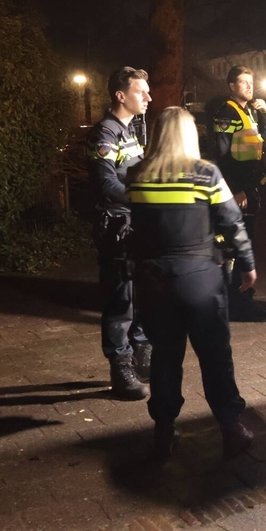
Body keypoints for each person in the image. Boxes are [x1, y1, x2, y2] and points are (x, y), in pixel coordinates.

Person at [126, 107, 257, 460]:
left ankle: (164, 429)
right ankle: (231, 427)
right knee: (215, 356)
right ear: (190, 135)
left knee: (165, 357)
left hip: (155, 281)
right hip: (200, 279)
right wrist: (247, 264)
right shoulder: (206, 174)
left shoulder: (137, 175)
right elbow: (232, 222)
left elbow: (137, 227)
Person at [86, 66, 153, 401]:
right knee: (120, 301)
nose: (148, 97)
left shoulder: (131, 129)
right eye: (141, 91)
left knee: (140, 294)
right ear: (121, 95)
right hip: (115, 226)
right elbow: (106, 183)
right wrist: (142, 197)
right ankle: (120, 368)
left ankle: (141, 356)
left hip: (134, 223)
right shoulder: (105, 133)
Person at [213, 65, 266, 316]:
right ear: (232, 86)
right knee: (238, 244)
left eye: (251, 82)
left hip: (250, 185)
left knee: (247, 241)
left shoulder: (249, 111)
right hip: (239, 188)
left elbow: (262, 143)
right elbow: (223, 154)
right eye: (243, 82)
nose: (250, 86)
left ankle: (243, 297)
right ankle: (238, 302)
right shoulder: (227, 112)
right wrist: (236, 189)